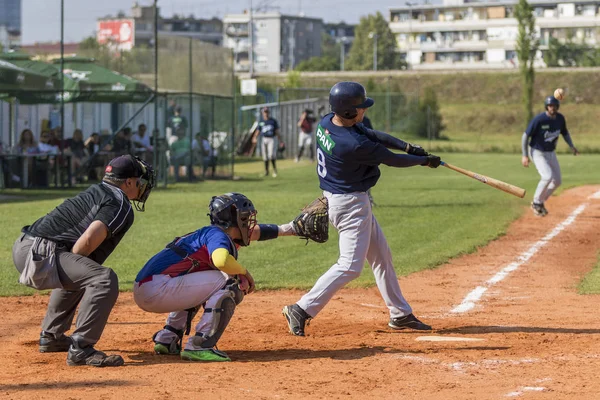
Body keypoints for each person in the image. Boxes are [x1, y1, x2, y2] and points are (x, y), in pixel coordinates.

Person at [282, 81, 441, 336]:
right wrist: (424, 161)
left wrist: (408, 146)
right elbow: (392, 160)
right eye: (359, 108)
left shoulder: (327, 122)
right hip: (350, 205)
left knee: (381, 257)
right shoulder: (353, 145)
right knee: (349, 266)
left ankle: (400, 314)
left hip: (342, 198)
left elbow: (373, 134)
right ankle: (301, 308)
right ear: (347, 111)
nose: (364, 111)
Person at [12, 155, 155, 367]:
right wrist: (79, 264)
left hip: (25, 247)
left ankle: (52, 336)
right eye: (139, 181)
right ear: (128, 182)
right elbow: (87, 241)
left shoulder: (98, 191)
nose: (142, 186)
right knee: (103, 279)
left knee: (84, 269)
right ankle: (82, 348)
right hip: (41, 253)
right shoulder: (119, 203)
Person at [133, 192, 299, 362]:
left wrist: (290, 229)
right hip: (158, 289)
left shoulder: (211, 233)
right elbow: (220, 260)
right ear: (235, 219)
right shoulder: (218, 236)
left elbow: (254, 233)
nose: (248, 222)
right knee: (230, 282)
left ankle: (167, 338)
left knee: (204, 281)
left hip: (148, 287)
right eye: (245, 217)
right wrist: (243, 272)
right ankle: (200, 345)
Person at [521, 95, 579, 216]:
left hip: (550, 152)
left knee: (557, 180)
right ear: (546, 107)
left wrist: (571, 146)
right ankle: (536, 202)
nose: (552, 108)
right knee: (547, 176)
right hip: (537, 152)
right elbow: (525, 136)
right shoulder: (539, 119)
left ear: (557, 107)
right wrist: (525, 155)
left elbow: (565, 133)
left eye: (554, 105)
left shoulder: (560, 119)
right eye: (550, 106)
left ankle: (540, 202)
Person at [251, 107, 284, 177]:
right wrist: (254, 137)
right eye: (265, 112)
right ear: (262, 113)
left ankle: (274, 170)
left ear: (269, 113)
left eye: (267, 112)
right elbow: (258, 131)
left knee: (271, 155)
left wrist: (280, 141)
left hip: (272, 139)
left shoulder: (273, 121)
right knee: (265, 156)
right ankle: (266, 171)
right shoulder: (261, 122)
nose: (266, 113)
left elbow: (277, 132)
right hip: (264, 139)